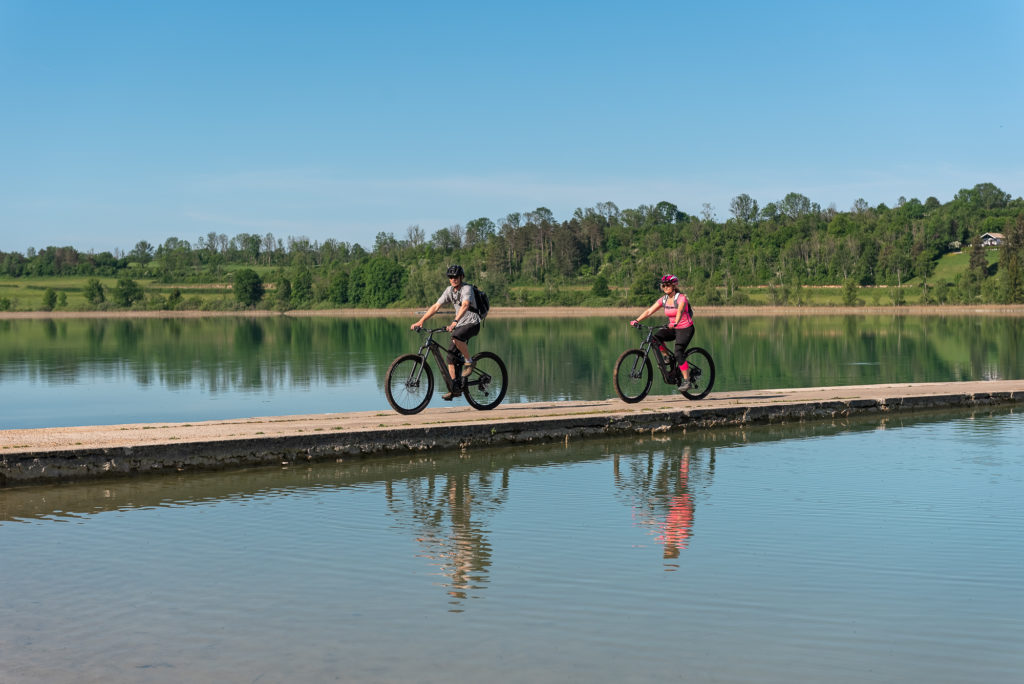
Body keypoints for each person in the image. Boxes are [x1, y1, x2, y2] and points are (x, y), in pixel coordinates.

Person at [411, 264, 482, 400]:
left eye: (455, 276)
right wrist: (421, 321)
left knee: (456, 336)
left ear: (461, 277)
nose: (453, 279)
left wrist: (454, 322)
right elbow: (436, 306)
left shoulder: (467, 289)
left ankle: (469, 361)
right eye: (450, 277)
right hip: (460, 324)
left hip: (473, 323)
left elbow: (465, 305)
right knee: (450, 357)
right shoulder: (449, 291)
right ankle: (454, 387)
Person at [630, 274, 695, 392]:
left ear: (674, 285)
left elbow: (680, 311)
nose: (665, 287)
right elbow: (649, 311)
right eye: (663, 285)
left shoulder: (681, 298)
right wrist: (637, 320)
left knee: (678, 353)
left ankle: (687, 381)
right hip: (673, 327)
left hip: (685, 328)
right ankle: (667, 357)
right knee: (655, 338)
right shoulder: (663, 299)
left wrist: (675, 322)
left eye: (667, 285)